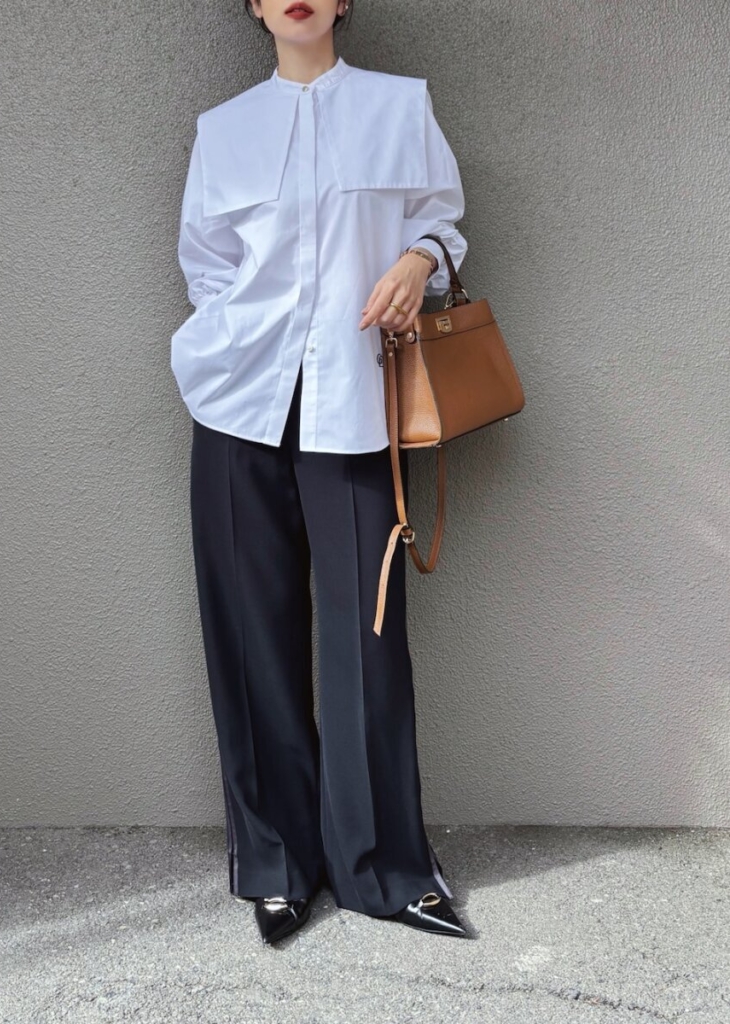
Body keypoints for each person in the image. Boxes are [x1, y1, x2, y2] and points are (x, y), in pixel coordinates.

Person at [171, 0, 470, 945]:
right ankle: (276, 866)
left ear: (343, 1)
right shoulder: (223, 130)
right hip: (239, 409)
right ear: (255, 6)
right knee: (250, 638)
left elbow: (444, 223)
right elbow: (205, 265)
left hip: (357, 405)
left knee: (366, 642)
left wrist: (419, 259)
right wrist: (228, 338)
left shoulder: (399, 105)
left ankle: (387, 871)